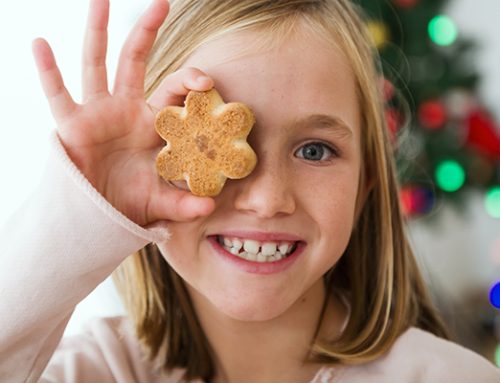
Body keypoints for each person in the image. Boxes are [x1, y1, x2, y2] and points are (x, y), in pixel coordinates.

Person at [0, 0, 499, 381]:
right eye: (223, 149)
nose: (266, 199)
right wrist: (78, 212)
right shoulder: (92, 370)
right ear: (156, 158)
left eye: (315, 151)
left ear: (364, 184)